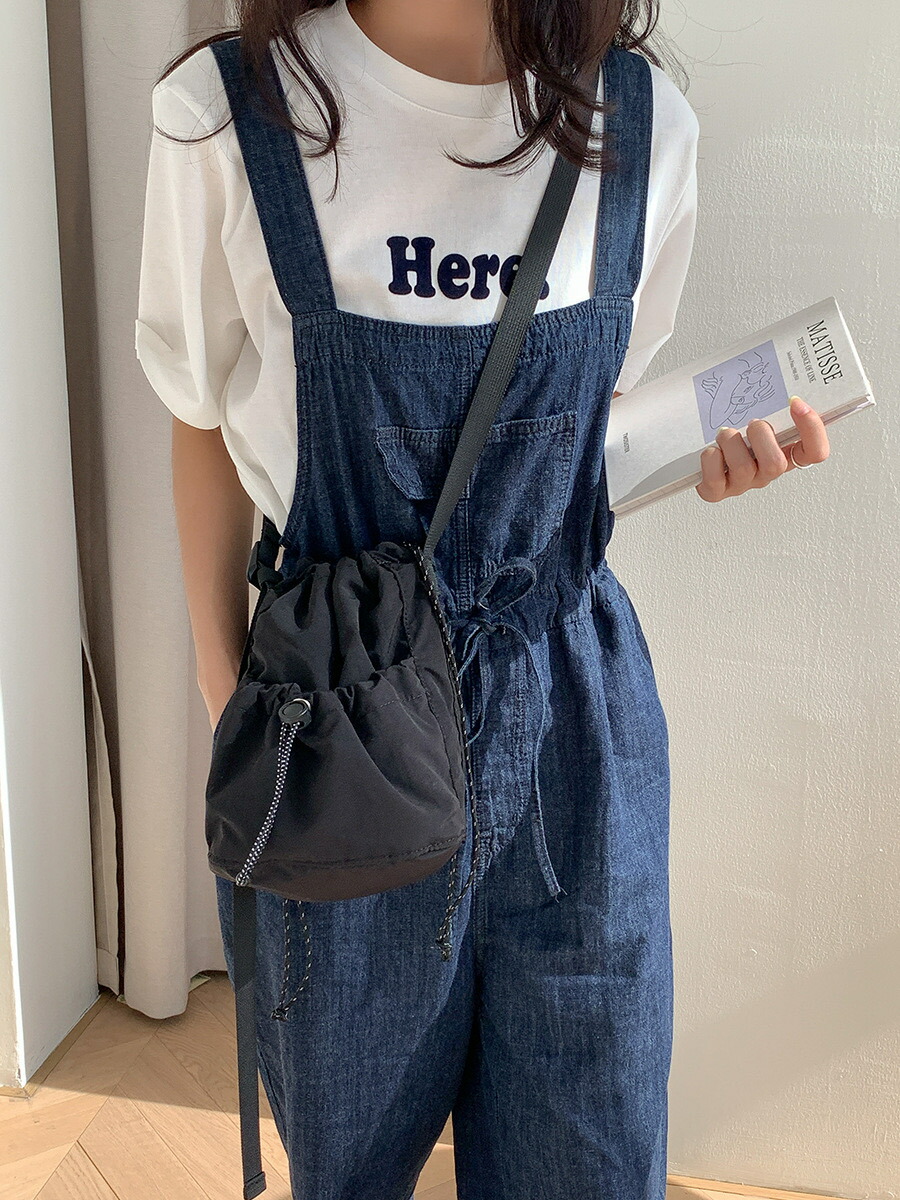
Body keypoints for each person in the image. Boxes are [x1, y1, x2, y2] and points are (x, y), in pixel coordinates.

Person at [135, 2, 830, 1197]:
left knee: (588, 1155)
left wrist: (702, 455)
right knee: (346, 1156)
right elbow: (198, 413)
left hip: (574, 731)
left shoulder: (640, 123)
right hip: (340, 724)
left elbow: (586, 432)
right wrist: (227, 699)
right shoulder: (227, 115)